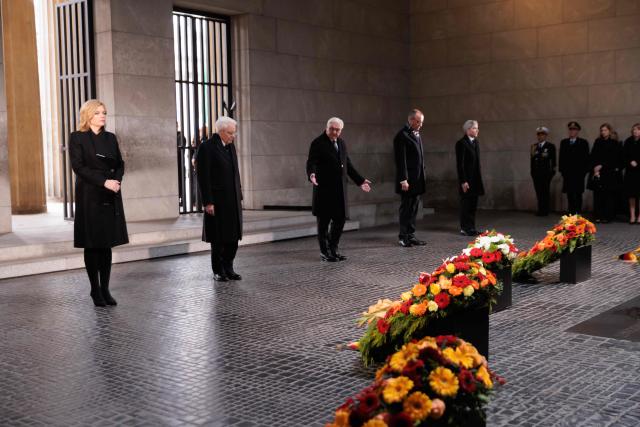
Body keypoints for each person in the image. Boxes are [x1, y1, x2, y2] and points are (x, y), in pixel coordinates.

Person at [69, 99, 129, 307]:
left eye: (104, 112)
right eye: (98, 113)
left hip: (109, 193)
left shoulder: (111, 138)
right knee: (92, 244)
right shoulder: (77, 137)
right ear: (88, 115)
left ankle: (105, 288)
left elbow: (120, 163)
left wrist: (116, 181)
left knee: (106, 244)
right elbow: (78, 167)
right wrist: (104, 181)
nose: (103, 116)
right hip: (89, 194)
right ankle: (95, 289)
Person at [306, 117, 371, 262]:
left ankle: (333, 249)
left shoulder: (341, 143)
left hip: (339, 191)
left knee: (340, 221)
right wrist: (312, 174)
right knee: (323, 224)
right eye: (332, 129)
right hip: (323, 190)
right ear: (327, 127)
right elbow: (312, 162)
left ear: (341, 130)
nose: (334, 132)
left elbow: (347, 164)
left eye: (338, 130)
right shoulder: (317, 143)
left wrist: (360, 181)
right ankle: (325, 252)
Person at [196, 117, 243, 282]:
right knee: (218, 239)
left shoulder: (231, 147)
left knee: (233, 238)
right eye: (230, 133)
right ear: (221, 131)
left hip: (232, 200)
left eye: (234, 132)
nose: (233, 136)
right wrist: (208, 201)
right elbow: (203, 177)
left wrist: (240, 194)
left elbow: (235, 172)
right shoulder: (207, 148)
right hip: (217, 201)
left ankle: (229, 268)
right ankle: (218, 270)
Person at [394, 109, 427, 247]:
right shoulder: (401, 135)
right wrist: (403, 179)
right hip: (407, 180)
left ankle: (411, 235)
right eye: (418, 122)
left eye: (422, 122)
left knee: (414, 208)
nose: (420, 125)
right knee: (406, 208)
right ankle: (403, 236)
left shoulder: (416, 134)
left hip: (417, 179)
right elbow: (400, 160)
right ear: (411, 120)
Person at [588, 123, 623, 223]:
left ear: (609, 131)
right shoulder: (597, 141)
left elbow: (613, 159)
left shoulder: (614, 143)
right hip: (597, 172)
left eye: (605, 130)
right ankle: (598, 215)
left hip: (609, 173)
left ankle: (607, 216)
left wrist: (602, 165)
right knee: (598, 195)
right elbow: (593, 155)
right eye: (602, 130)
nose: (603, 132)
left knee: (608, 196)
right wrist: (595, 168)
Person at [455, 120, 484, 236]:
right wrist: (463, 181)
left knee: (473, 205)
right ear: (468, 130)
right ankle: (464, 228)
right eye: (475, 128)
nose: (477, 130)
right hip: (466, 181)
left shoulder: (476, 143)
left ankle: (471, 227)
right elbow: (460, 164)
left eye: (477, 128)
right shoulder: (461, 143)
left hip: (475, 180)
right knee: (466, 205)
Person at [559, 121, 590, 214]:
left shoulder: (583, 142)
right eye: (570, 129)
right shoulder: (564, 142)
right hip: (568, 173)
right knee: (569, 194)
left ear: (578, 131)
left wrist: (584, 172)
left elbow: (586, 158)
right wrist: (562, 171)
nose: (572, 131)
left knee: (578, 193)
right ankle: (571, 212)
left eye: (574, 129)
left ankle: (578, 212)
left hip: (579, 173)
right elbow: (561, 158)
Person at [530, 126, 556, 216]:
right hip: (536, 173)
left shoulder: (550, 146)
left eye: (542, 135)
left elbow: (553, 160)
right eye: (539, 135)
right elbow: (532, 161)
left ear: (546, 136)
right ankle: (540, 209)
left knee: (545, 191)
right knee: (538, 192)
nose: (540, 137)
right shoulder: (534, 147)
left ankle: (545, 210)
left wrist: (552, 172)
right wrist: (532, 172)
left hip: (546, 173)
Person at [623, 123, 640, 224]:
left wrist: (638, 162)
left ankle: (639, 217)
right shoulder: (628, 141)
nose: (635, 131)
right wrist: (630, 162)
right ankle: (632, 216)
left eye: (637, 130)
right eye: (634, 130)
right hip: (630, 172)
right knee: (631, 195)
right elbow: (624, 156)